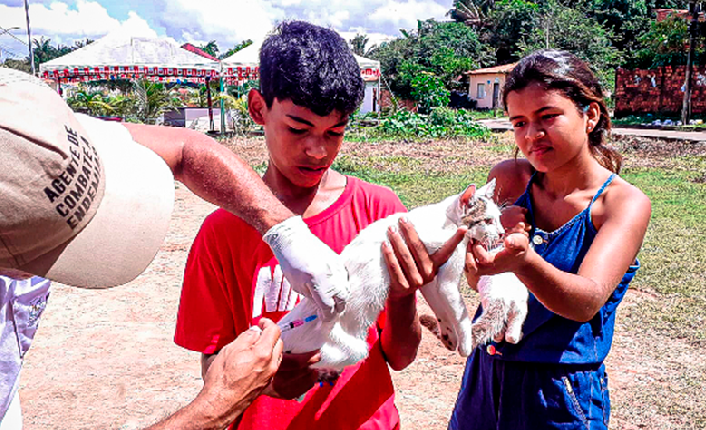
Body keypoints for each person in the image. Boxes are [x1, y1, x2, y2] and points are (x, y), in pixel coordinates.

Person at [0, 66, 354, 428]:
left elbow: (185, 150)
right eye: (48, 250)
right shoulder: (217, 236)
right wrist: (218, 405)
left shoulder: (27, 123)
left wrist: (285, 232)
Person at [174, 20, 465, 430]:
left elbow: (400, 357)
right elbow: (213, 366)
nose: (318, 149)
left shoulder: (379, 210)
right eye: (298, 128)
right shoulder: (222, 231)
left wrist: (402, 298)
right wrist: (267, 385)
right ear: (258, 108)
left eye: (336, 131)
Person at [448, 50, 652, 429]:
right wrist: (476, 260)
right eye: (519, 122)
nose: (531, 136)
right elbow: (481, 281)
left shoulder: (621, 203)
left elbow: (585, 302)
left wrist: (525, 262)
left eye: (547, 118)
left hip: (559, 394)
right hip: (485, 378)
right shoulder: (509, 179)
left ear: (590, 115)